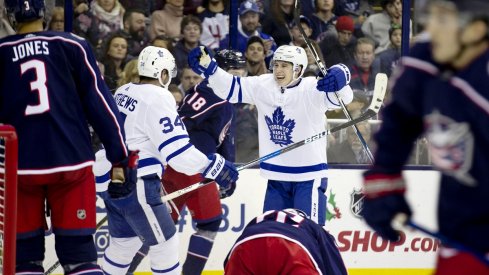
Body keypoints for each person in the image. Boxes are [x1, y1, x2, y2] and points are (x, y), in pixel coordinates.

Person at [0, 0, 132, 273]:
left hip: (18, 170)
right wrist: (120, 158)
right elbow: (101, 105)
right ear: (44, 13)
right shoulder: (72, 44)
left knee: (23, 258)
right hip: (71, 163)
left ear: (10, 16)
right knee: (80, 257)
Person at [360, 1, 489, 274]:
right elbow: (400, 118)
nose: (429, 29)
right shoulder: (426, 59)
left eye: (443, 20)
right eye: (431, 17)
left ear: (477, 30)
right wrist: (384, 176)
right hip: (461, 237)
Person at [97, 46, 239, 275]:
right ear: (163, 74)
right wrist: (212, 165)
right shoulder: (159, 97)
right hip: (137, 182)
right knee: (166, 244)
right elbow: (177, 153)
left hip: (109, 181)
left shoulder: (124, 90)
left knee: (125, 244)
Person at [188, 45, 353, 225]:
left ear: (298, 69)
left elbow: (342, 98)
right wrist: (209, 67)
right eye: (276, 65)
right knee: (272, 231)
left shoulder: (313, 88)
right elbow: (231, 87)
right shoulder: (263, 85)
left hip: (309, 177)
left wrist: (342, 75)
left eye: (285, 66)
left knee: (309, 232)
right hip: (276, 176)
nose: (278, 70)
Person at [224, 208, 348, 274]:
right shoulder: (312, 226)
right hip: (290, 248)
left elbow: (228, 261)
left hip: (246, 246)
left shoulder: (259, 221)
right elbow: (334, 264)